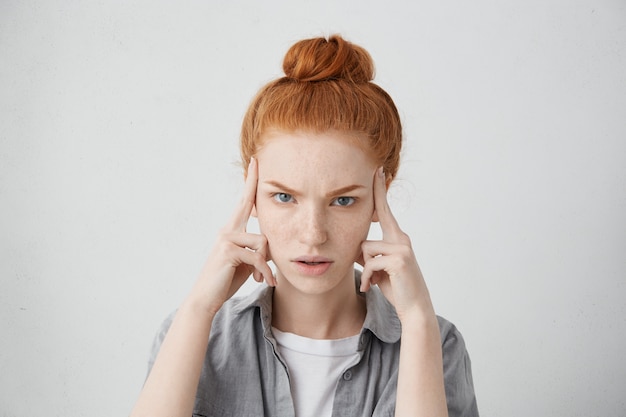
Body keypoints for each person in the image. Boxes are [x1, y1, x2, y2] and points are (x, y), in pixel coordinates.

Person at [131, 35, 478, 417]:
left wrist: (416, 321)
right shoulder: (193, 336)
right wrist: (199, 307)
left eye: (343, 200)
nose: (313, 234)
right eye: (284, 197)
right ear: (253, 195)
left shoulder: (435, 342)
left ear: (382, 195)